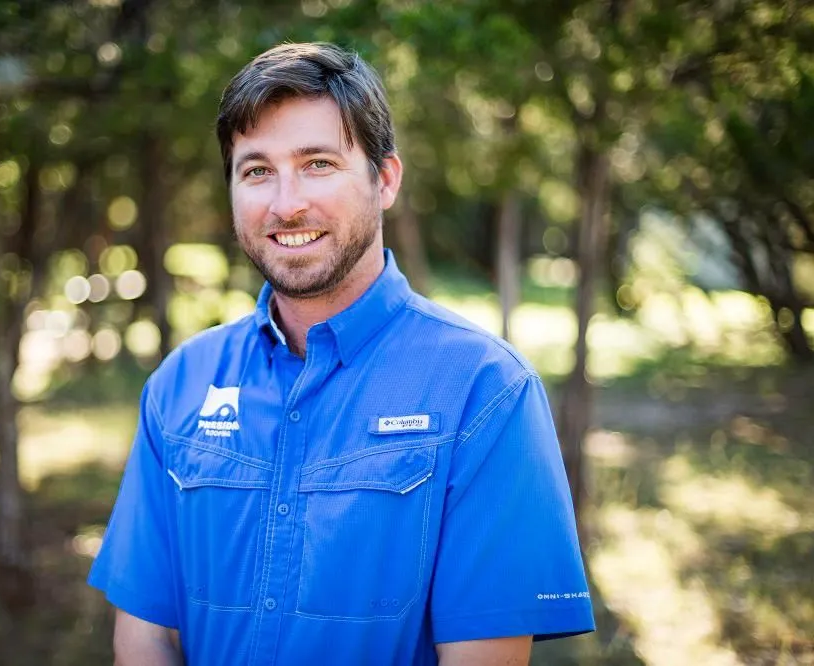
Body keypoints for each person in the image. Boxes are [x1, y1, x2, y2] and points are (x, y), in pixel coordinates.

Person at [88, 42, 595, 666]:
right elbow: (145, 637)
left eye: (318, 163)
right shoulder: (179, 385)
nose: (285, 203)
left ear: (384, 179)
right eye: (256, 170)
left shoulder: (485, 391)